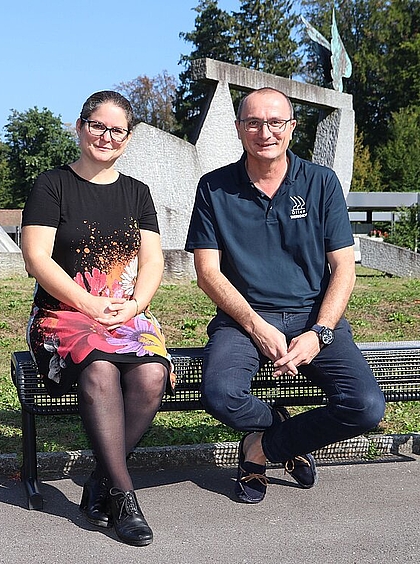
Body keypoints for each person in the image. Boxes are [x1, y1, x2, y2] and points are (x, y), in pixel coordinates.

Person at [184, 87, 386, 504]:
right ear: (239, 129)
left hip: (312, 318)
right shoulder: (213, 187)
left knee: (365, 406)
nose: (265, 132)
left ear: (292, 127)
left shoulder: (321, 182)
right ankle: (279, 423)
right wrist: (255, 325)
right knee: (221, 396)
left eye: (276, 121)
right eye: (253, 122)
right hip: (242, 320)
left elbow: (344, 268)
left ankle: (262, 449)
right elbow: (207, 273)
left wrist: (320, 332)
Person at [21, 90, 176, 546]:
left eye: (118, 130)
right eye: (98, 126)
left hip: (127, 312)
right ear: (80, 126)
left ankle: (101, 480)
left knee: (151, 376)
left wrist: (135, 305)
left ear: (128, 138)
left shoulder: (137, 192)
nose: (106, 137)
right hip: (64, 314)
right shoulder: (53, 185)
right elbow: (37, 259)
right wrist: (88, 305)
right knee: (101, 370)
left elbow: (152, 263)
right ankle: (125, 498)